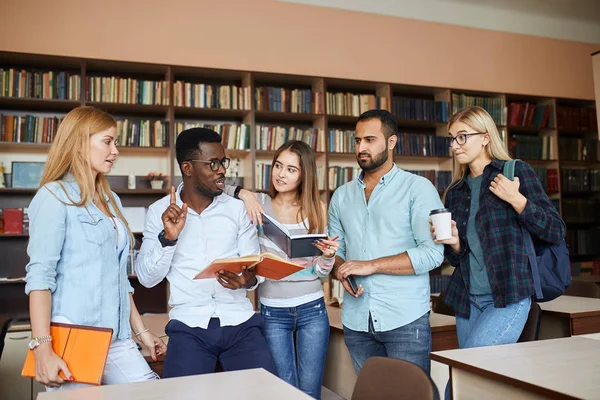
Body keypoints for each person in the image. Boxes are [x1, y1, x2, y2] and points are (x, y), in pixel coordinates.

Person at [24, 106, 166, 391]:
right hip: (74, 337)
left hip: (118, 337)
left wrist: (141, 331)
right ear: (79, 142)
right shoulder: (53, 197)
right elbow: (40, 278)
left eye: (116, 142)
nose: (115, 150)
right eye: (107, 141)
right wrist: (42, 349)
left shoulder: (111, 198)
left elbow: (118, 278)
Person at [430, 106, 566, 397]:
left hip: (508, 297)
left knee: (463, 376)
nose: (454, 146)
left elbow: (555, 229)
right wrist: (453, 243)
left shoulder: (515, 172)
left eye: (462, 137)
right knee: (476, 385)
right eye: (452, 139)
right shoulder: (456, 191)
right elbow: (457, 258)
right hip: (467, 300)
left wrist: (519, 202)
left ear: (485, 137)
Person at [135, 127, 276, 378]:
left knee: (271, 392)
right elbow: (147, 278)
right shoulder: (159, 213)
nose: (222, 170)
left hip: (240, 323)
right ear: (188, 169)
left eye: (223, 162)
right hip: (189, 326)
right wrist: (168, 239)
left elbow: (254, 268)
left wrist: (248, 280)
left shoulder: (236, 210)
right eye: (213, 163)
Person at [328, 109, 445, 376]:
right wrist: (339, 270)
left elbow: (432, 255)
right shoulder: (341, 196)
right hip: (357, 320)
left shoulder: (418, 188)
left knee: (411, 397)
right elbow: (337, 251)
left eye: (370, 140)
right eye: (358, 141)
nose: (361, 148)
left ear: (391, 142)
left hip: (404, 319)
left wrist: (371, 266)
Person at [223, 140, 339, 399]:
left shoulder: (316, 209)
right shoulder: (258, 202)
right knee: (284, 391)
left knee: (310, 391)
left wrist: (328, 257)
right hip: (273, 311)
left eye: (291, 169)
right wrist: (243, 193)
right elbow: (215, 187)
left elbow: (320, 272)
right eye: (278, 166)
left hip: (312, 309)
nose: (281, 174)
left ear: (304, 175)